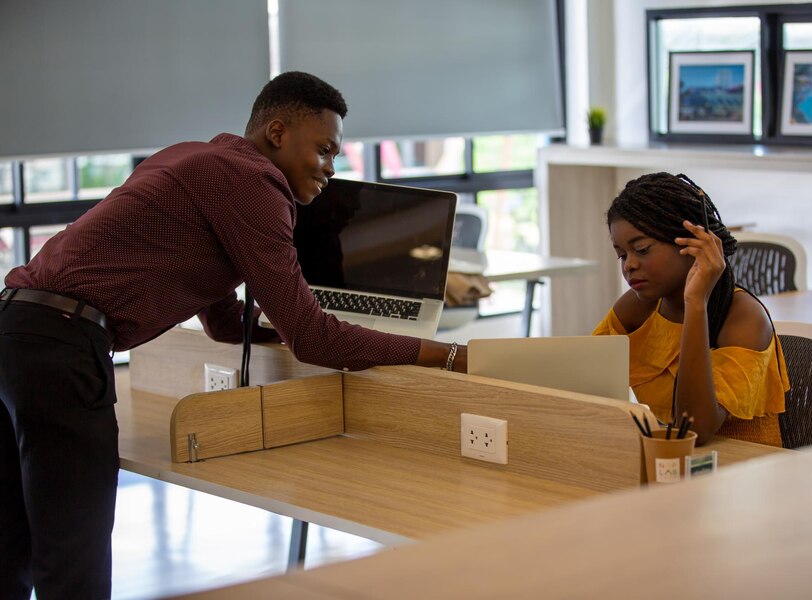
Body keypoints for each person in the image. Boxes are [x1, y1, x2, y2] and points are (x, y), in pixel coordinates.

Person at [0, 71, 466, 600]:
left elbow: (224, 324)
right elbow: (315, 340)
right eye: (324, 149)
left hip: (15, 332)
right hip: (61, 348)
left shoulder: (193, 160)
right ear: (276, 132)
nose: (330, 169)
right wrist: (445, 354)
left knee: (10, 552)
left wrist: (298, 325)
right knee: (72, 568)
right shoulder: (254, 184)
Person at [592, 172, 789, 447]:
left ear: (693, 243)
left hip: (739, 475)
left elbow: (694, 430)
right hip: (668, 464)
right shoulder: (638, 308)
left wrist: (696, 303)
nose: (629, 265)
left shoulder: (744, 317)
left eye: (643, 249)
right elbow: (586, 375)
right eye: (622, 254)